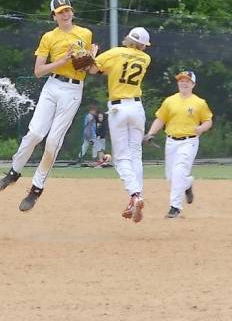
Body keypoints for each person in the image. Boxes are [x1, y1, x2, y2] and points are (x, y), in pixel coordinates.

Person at [0, 0, 96, 211]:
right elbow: (38, 71)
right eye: (60, 12)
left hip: (73, 89)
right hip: (52, 85)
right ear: (54, 16)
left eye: (67, 10)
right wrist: (61, 61)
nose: (65, 14)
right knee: (35, 134)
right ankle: (13, 173)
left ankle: (36, 189)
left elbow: (90, 69)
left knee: (53, 141)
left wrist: (90, 60)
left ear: (72, 12)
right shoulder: (49, 37)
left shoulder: (85, 34)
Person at [89, 27, 151, 223]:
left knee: (121, 158)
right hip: (137, 108)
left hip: (118, 109)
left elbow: (92, 69)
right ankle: (136, 197)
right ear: (143, 45)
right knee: (136, 154)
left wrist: (91, 56)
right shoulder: (145, 59)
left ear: (128, 39)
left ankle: (135, 195)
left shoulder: (116, 52)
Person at [143, 71, 213, 219]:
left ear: (193, 84)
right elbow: (160, 119)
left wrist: (202, 128)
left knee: (179, 171)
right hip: (171, 141)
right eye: (181, 80)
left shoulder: (199, 102)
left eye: (187, 81)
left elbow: (208, 120)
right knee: (171, 176)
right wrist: (150, 134)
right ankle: (187, 184)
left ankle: (175, 208)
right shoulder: (170, 101)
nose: (183, 83)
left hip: (189, 141)